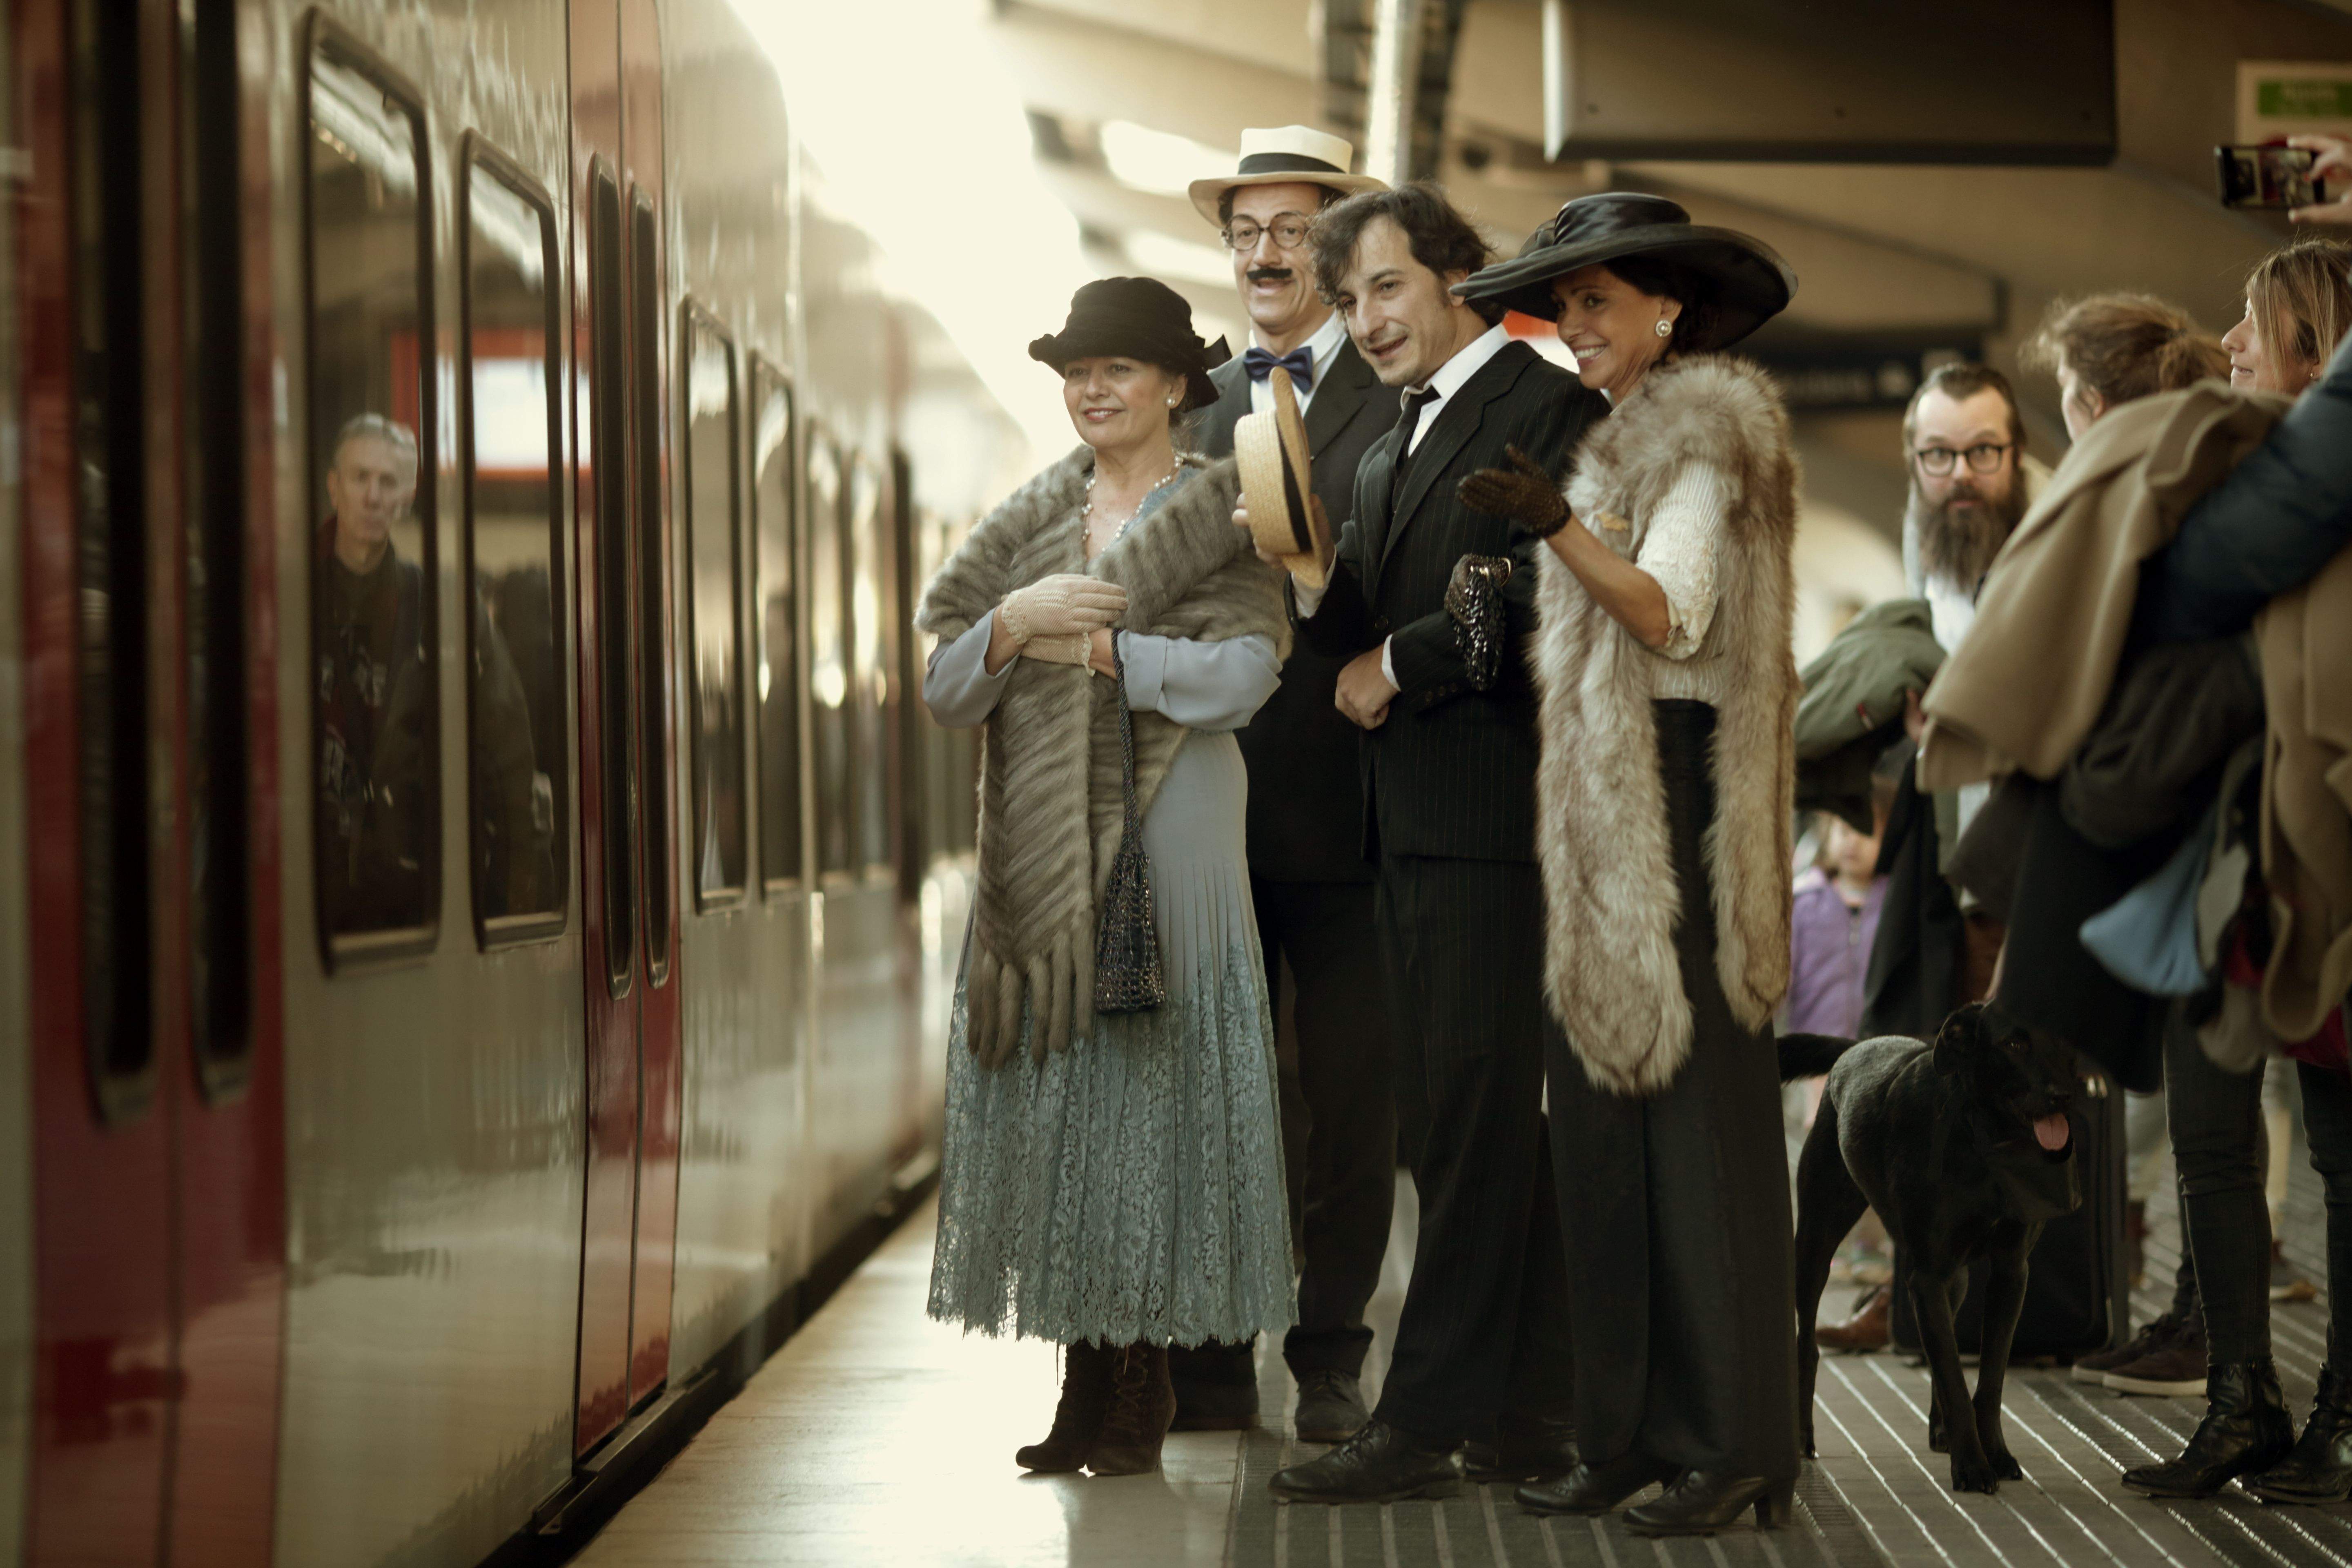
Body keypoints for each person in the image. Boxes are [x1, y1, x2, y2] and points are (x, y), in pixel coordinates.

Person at [1450, 191, 1804, 1535]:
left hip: (1678, 794)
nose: (1572, 326)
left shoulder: (1710, 435)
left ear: (1670, 308)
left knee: (1698, 1141)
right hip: (1606, 799)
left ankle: (1734, 1444)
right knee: (1601, 1136)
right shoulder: (1615, 447)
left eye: (1598, 301)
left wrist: (1550, 528)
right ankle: (1627, 1434)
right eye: (1564, 305)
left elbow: (1674, 612)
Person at [1258, 184, 1606, 1504]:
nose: (1367, 320)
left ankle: (1424, 1420)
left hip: (1493, 821)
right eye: (1348, 302)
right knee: (1471, 1128)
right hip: (1402, 830)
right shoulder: (1375, 450)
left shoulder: (1548, 407)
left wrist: (1396, 663)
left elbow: (1555, 586)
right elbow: (1339, 625)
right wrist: (1304, 580)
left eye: (1387, 288)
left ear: (1460, 275)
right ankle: (1530, 1415)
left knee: (1468, 1127)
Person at [915, 277, 1294, 1479]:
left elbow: (1244, 678)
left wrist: (1102, 651)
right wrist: (1010, 625)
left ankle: (1146, 1377)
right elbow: (945, 688)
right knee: (1068, 1121)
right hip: (1047, 862)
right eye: (1077, 370)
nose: (1091, 387)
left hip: (1175, 849)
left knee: (1155, 1117)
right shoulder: (1027, 522)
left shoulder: (1225, 513)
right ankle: (1087, 1377)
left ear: (1176, 385)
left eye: (1118, 367)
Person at [1174, 126, 1401, 1444]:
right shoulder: (1188, 395)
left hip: (1353, 806)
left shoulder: (1392, 385)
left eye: (1292, 231)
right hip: (1206, 805)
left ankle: (1329, 1355)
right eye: (1245, 231)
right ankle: (1210, 1363)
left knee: (1351, 1103)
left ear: (1336, 247)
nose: (1266, 253)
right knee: (1217, 1091)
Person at [315, 412, 430, 937]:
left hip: (400, 886)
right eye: (360, 477)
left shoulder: (433, 606)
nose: (372, 495)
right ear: (333, 487)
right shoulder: (283, 597)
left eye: (387, 483)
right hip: (305, 873)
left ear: (405, 498)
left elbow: (504, 744)